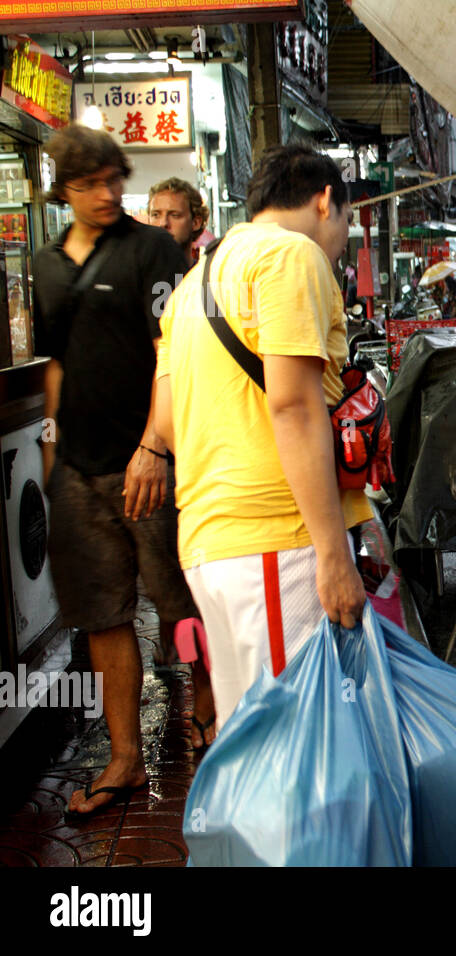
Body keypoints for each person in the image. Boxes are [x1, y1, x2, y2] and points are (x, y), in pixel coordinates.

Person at [154, 145, 369, 729]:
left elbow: (167, 425)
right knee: (301, 745)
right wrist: (332, 554)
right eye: (347, 221)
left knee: (254, 739)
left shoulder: (194, 284)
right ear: (326, 200)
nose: (343, 239)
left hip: (208, 546)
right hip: (278, 543)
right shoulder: (289, 256)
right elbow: (294, 405)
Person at [33, 126, 208, 817]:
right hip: (79, 471)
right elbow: (56, 365)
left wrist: (154, 446)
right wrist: (51, 455)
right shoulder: (47, 265)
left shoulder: (151, 251)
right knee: (104, 620)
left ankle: (210, 712)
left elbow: (175, 352)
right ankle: (126, 757)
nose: (106, 194)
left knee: (181, 607)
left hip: (151, 465)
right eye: (89, 184)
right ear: (64, 192)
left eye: (114, 179)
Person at [147, 176, 209, 266]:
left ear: (196, 222)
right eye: (156, 215)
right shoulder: (133, 277)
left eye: (174, 215)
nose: (163, 223)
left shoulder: (209, 277)